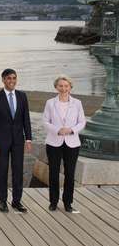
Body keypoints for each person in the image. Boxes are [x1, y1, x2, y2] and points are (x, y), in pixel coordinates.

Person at [0, 68, 32, 213]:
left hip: (19, 140)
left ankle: (16, 201)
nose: (11, 81)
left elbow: (26, 119)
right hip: (1, 141)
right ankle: (2, 201)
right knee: (2, 171)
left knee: (18, 171)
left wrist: (29, 139)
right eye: (8, 78)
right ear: (3, 80)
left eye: (14, 78)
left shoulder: (22, 96)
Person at [42, 75, 86, 212]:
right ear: (56, 87)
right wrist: (57, 130)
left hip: (72, 143)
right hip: (54, 142)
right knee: (53, 173)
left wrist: (71, 130)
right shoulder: (50, 103)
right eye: (60, 86)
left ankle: (68, 203)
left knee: (70, 174)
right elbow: (45, 121)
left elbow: (82, 122)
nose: (63, 88)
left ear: (70, 87)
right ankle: (53, 202)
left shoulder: (77, 103)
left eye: (66, 86)